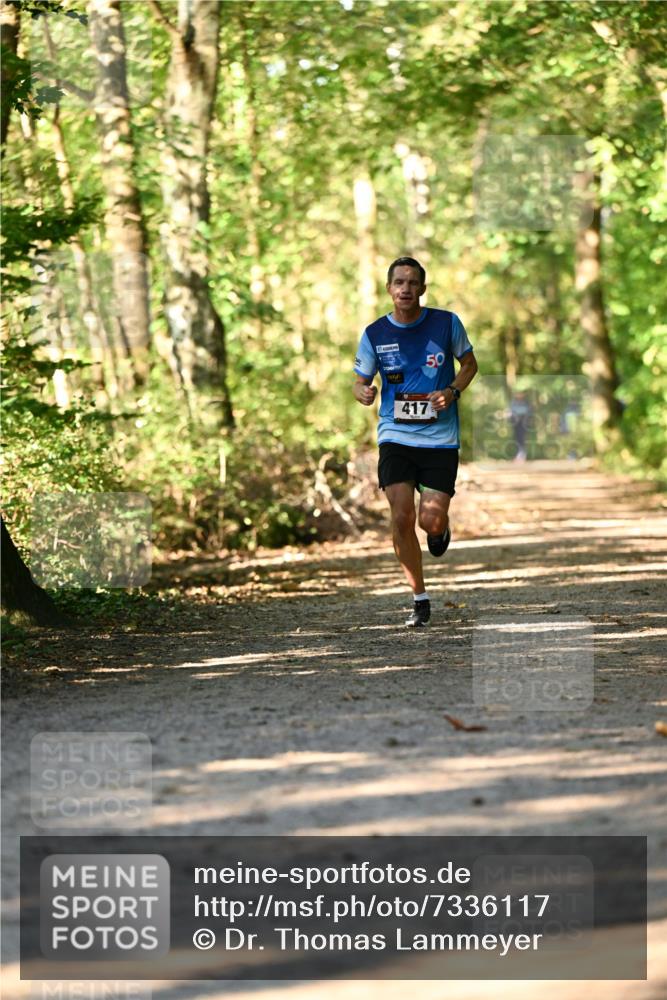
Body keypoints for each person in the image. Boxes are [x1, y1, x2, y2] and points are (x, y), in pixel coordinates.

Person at [353, 256, 478, 627]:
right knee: (402, 515)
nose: (405, 289)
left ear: (422, 288)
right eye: (399, 282)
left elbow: (470, 364)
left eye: (412, 282)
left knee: (430, 521)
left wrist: (452, 391)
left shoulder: (446, 323)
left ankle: (440, 528)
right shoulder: (375, 333)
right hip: (395, 435)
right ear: (389, 289)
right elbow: (360, 380)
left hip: (440, 439)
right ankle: (419, 599)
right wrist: (363, 392)